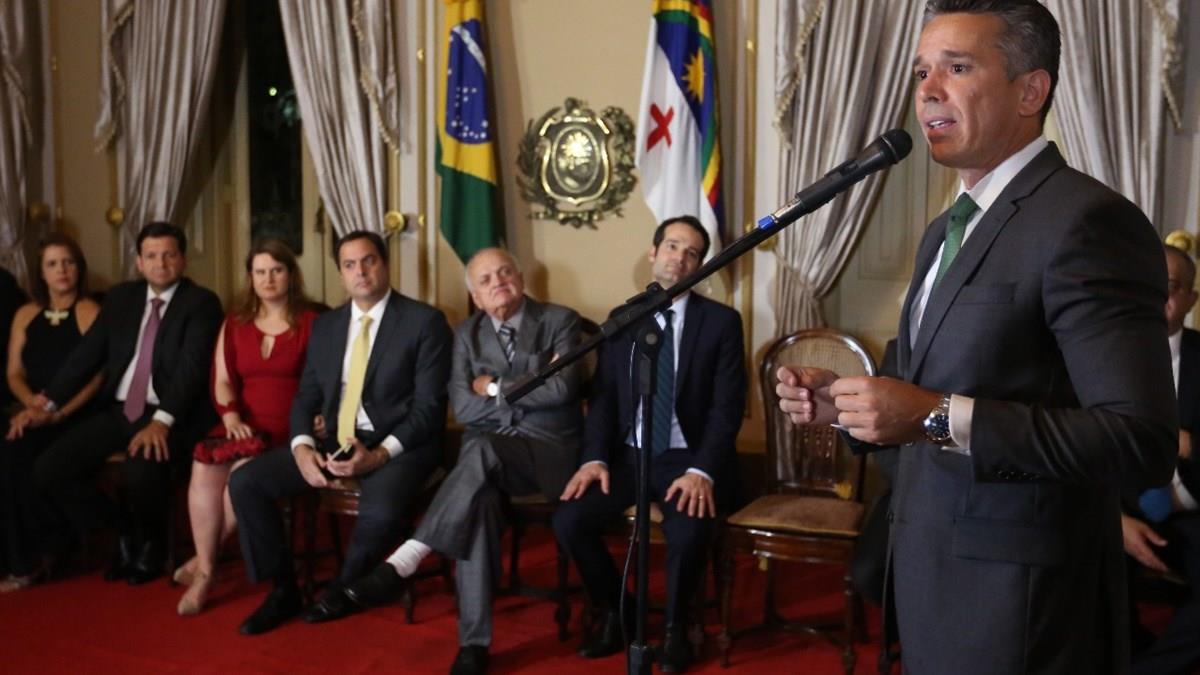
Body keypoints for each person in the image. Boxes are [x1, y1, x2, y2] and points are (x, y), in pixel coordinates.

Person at [775, 2, 1176, 672]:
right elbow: (916, 392)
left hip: (1020, 605)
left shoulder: (1088, 222)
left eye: (956, 68)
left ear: (1030, 90)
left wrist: (934, 415)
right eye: (921, 72)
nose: (927, 90)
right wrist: (843, 405)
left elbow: (1139, 443)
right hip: (928, 572)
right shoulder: (945, 230)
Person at [344, 247, 583, 675]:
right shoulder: (465, 335)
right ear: (475, 295)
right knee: (478, 502)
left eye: (504, 272)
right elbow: (463, 408)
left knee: (482, 447)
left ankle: (412, 553)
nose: (498, 283)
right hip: (489, 463)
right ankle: (473, 645)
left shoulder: (560, 321)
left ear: (520, 277)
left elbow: (562, 389)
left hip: (549, 455)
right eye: (486, 280)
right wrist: (529, 386)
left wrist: (492, 389)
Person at [229, 230, 452, 636]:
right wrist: (302, 447)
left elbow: (429, 410)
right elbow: (306, 395)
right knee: (246, 481)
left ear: (385, 264)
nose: (360, 271)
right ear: (341, 273)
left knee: (381, 509)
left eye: (369, 261)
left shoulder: (424, 322)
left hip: (401, 443)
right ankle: (283, 589)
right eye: (349, 265)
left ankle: (342, 590)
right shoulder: (328, 326)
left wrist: (379, 455)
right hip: (337, 439)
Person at [552, 216, 746, 673]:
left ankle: (677, 628)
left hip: (687, 456)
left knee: (690, 529)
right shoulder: (623, 320)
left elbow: (727, 408)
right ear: (653, 253)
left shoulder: (721, 323)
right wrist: (595, 459)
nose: (680, 257)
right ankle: (616, 612)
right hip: (629, 454)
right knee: (569, 520)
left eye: (692, 252)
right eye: (673, 246)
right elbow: (603, 401)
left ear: (701, 265)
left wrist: (702, 470)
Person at [28, 222, 224, 585]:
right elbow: (86, 355)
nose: (160, 263)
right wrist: (47, 402)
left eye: (169, 255)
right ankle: (121, 529)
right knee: (49, 469)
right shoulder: (121, 299)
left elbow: (191, 371)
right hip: (119, 410)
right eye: (151, 256)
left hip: (171, 414)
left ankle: (152, 544)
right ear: (139, 262)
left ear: (182, 260)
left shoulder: (201, 303)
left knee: (140, 469)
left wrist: (161, 421)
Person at [174, 239, 320, 616]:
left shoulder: (312, 322)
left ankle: (204, 565)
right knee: (204, 466)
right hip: (242, 424)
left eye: (277, 270)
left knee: (241, 474)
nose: (268, 279)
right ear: (250, 277)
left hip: (290, 429)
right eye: (260, 272)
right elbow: (222, 380)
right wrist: (231, 417)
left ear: (290, 275)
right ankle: (206, 569)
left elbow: (324, 380)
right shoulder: (235, 323)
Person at [0, 234, 101, 592]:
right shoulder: (25, 314)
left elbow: (97, 377)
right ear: (40, 273)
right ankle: (21, 557)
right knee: (8, 451)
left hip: (75, 414)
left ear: (79, 268)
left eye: (68, 262)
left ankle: (37, 557)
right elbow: (14, 373)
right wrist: (33, 405)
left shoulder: (90, 311)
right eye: (53, 264)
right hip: (34, 411)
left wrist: (56, 413)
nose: (62, 270)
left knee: (21, 456)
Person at [1122, 243, 1200, 675]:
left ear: (1191, 298)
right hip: (1115, 511)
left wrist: (1191, 445)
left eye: (1168, 286)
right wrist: (1115, 521)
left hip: (1189, 508)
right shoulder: (1102, 355)